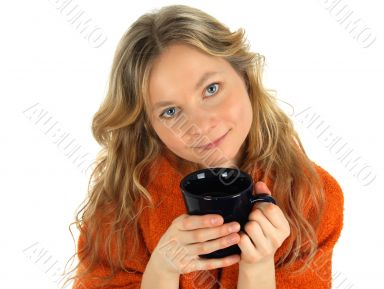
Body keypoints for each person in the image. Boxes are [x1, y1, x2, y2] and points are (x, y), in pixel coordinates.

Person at [63, 4, 344, 289]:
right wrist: (162, 270)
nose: (199, 126)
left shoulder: (313, 196)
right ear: (148, 126)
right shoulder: (122, 203)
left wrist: (258, 267)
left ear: (244, 75)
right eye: (170, 112)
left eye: (211, 89)